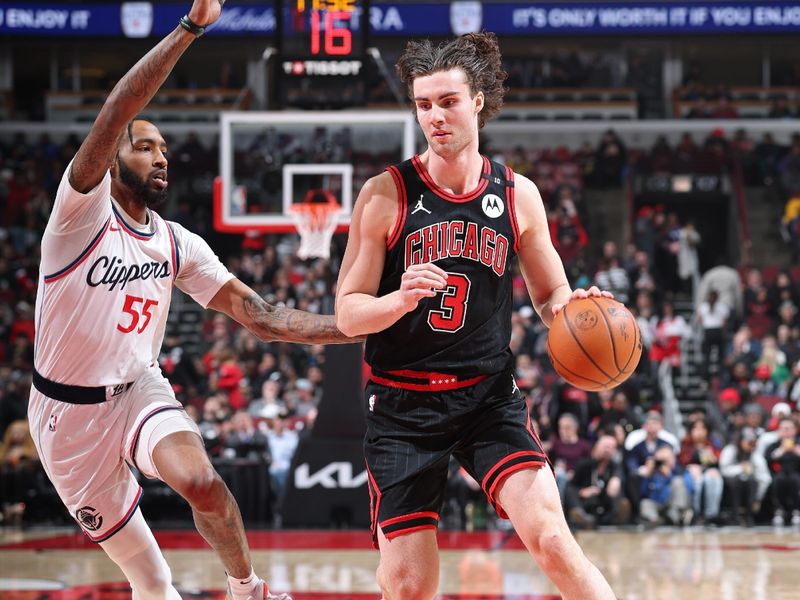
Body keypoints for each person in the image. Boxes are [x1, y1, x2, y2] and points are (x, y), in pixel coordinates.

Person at [27, 3, 355, 599]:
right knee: (151, 579)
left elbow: (264, 319)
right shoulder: (77, 216)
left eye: (165, 150)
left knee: (203, 481)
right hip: (65, 419)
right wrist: (191, 27)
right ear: (112, 155)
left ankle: (246, 588)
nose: (161, 156)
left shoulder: (179, 242)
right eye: (146, 146)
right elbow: (118, 108)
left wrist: (356, 328)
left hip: (138, 392)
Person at [335, 33, 616, 600]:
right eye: (423, 105)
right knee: (409, 585)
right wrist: (398, 299)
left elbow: (550, 292)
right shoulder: (384, 195)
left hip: (487, 397)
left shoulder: (518, 194)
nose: (434, 117)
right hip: (403, 406)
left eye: (447, 102)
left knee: (554, 542)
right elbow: (347, 313)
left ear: (479, 101)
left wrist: (576, 309)